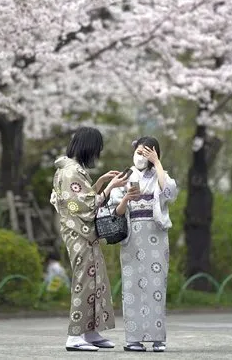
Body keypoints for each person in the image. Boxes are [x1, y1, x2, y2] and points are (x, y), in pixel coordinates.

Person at [50, 126, 129, 352]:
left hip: (83, 232)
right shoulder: (70, 172)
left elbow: (83, 199)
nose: (97, 155)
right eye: (96, 150)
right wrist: (111, 187)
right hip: (78, 233)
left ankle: (91, 332)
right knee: (84, 280)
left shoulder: (71, 169)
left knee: (95, 279)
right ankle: (74, 335)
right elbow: (83, 206)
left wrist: (103, 181)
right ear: (88, 147)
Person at [108, 136, 178, 352]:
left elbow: (170, 194)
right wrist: (126, 199)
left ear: (154, 154)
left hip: (156, 236)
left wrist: (157, 164)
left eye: (146, 153)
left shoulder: (160, 175)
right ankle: (133, 339)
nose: (141, 156)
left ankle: (158, 338)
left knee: (157, 285)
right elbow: (115, 212)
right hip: (132, 238)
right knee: (132, 288)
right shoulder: (125, 176)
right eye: (138, 152)